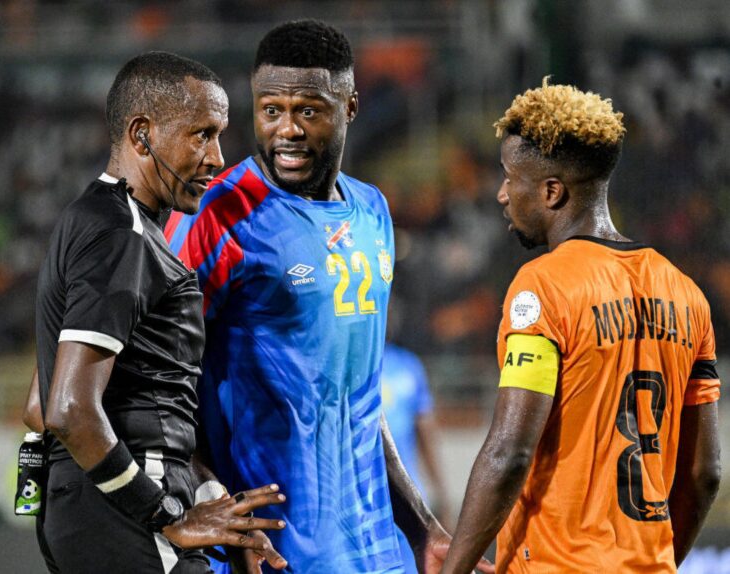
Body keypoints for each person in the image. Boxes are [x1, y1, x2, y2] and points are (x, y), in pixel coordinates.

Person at [167, 20, 493, 574]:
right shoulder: (217, 215)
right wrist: (207, 498)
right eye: (271, 110)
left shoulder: (372, 212)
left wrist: (422, 530)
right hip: (271, 552)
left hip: (375, 550)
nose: (286, 130)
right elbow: (160, 379)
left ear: (351, 106)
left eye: (308, 111)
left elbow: (358, 393)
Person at [443, 78, 722, 573]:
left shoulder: (542, 287)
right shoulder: (687, 294)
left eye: (511, 178)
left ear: (552, 192)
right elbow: (705, 474)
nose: (502, 194)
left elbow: (509, 452)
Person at [24, 51, 288, 574]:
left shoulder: (94, 221)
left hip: (90, 511)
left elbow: (40, 403)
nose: (217, 157)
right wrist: (167, 514)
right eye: (202, 134)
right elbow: (70, 409)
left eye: (220, 135)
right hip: (126, 520)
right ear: (141, 135)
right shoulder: (124, 237)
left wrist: (215, 503)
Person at [380, 342, 451, 574]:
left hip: (407, 498)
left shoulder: (408, 364)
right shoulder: (350, 358)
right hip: (364, 502)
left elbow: (425, 433)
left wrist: (441, 494)